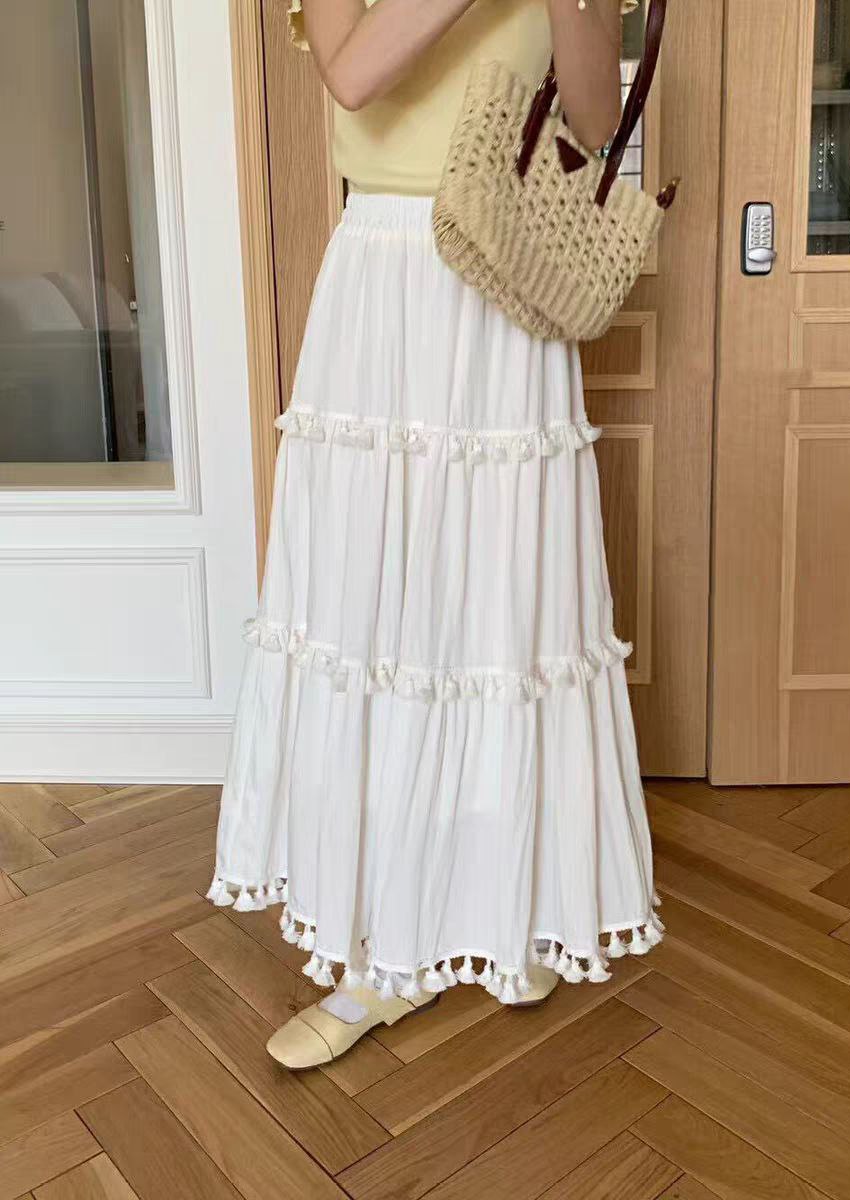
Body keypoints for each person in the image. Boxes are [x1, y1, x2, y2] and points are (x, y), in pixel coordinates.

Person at [207, 0, 661, 1070]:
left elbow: (595, 121)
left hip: (506, 274)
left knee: (503, 610)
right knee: (379, 610)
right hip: (387, 282)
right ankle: (380, 954)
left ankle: (508, 909)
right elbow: (355, 76)